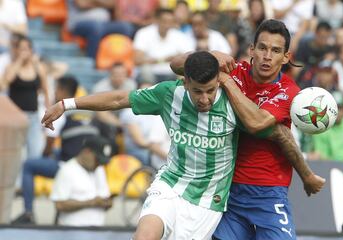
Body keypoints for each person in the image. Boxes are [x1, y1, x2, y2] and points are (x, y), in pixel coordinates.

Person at [42, 51, 323, 239]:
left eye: (210, 90)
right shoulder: (168, 94)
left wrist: (305, 173)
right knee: (144, 235)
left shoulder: (235, 105)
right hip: (171, 187)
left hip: (208, 204)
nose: (204, 99)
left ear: (219, 83)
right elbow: (119, 99)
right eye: (197, 91)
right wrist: (67, 104)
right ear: (185, 82)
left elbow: (279, 135)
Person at [171, 19, 326, 240]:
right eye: (262, 48)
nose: (267, 56)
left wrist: (225, 80)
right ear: (251, 49)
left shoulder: (288, 91)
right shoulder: (236, 70)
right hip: (228, 190)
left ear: (286, 57)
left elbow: (256, 122)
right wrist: (211, 56)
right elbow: (176, 65)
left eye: (275, 51)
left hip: (269, 192)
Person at [11, 76, 99, 224]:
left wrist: (46, 155)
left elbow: (50, 142)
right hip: (90, 162)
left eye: (56, 89)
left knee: (29, 165)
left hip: (68, 164)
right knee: (58, 152)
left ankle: (28, 212)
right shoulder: (88, 110)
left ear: (62, 91)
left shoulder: (61, 110)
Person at [51, 135, 113, 226]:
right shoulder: (67, 170)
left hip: (97, 231)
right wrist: (91, 203)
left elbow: (104, 196)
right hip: (72, 232)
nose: (99, 164)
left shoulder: (99, 170)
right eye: (97, 160)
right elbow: (60, 205)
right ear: (87, 152)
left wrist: (107, 203)